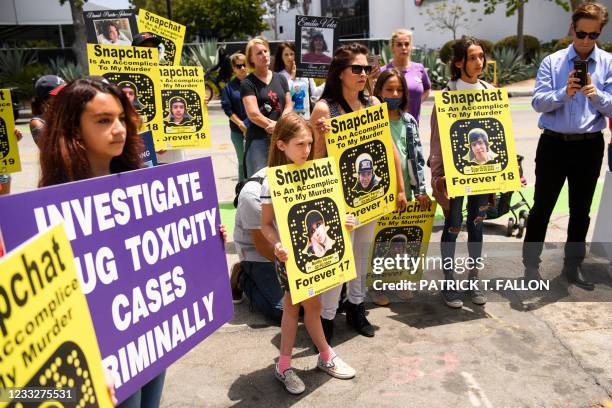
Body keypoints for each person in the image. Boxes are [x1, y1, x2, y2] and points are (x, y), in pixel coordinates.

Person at [38, 78, 227, 407]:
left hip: (149, 333)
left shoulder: (140, 184)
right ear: (72, 128)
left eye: (122, 118)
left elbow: (160, 250)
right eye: (103, 120)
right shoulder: (47, 208)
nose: (118, 129)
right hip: (100, 355)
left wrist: (204, 242)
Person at [310, 43, 408, 342]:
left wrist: (400, 188)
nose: (364, 73)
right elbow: (314, 159)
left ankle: (356, 307)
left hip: (372, 194)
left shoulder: (374, 104)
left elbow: (389, 149)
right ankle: (325, 320)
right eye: (357, 69)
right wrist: (321, 136)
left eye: (367, 68)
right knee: (337, 259)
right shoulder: (325, 108)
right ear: (340, 73)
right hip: (339, 198)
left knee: (362, 255)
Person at [260, 112, 356, 395]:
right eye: (300, 144)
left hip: (315, 258)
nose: (307, 150)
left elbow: (329, 216)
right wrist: (276, 244)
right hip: (290, 259)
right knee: (293, 307)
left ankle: (322, 356)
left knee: (312, 308)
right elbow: (265, 224)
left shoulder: (317, 172)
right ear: (281, 145)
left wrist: (344, 220)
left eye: (309, 144)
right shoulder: (271, 181)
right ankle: (287, 365)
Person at [523, 2, 611, 290]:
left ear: (600, 33)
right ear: (573, 28)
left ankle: (573, 267)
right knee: (542, 208)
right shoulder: (553, 62)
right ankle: (530, 268)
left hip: (589, 146)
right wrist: (564, 92)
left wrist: (596, 95)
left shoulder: (608, 64)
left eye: (593, 35)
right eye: (582, 33)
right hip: (553, 144)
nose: (586, 41)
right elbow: (538, 102)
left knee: (581, 210)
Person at [429, 36, 493, 309]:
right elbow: (436, 139)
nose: (479, 62)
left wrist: (503, 169)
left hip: (482, 173)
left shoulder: (490, 91)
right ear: (458, 63)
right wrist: (438, 175)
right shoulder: (447, 96)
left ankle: (473, 279)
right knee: (453, 226)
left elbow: (497, 135)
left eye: (481, 56)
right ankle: (449, 282)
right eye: (472, 57)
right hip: (453, 176)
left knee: (477, 225)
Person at [372, 68, 431, 305]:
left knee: (401, 241)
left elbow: (416, 158)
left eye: (398, 90)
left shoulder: (409, 121)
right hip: (380, 192)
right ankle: (377, 286)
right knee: (380, 241)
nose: (394, 93)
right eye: (389, 90)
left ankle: (399, 281)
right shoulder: (372, 121)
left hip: (405, 192)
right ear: (378, 92)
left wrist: (420, 191)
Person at [231, 168, 284, 324]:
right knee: (281, 311)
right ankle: (242, 276)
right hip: (258, 252)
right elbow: (263, 247)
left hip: (292, 246)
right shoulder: (252, 194)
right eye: (300, 144)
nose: (307, 151)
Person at [241, 37, 292, 177]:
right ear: (251, 59)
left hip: (282, 139)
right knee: (259, 185)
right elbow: (253, 114)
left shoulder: (281, 78)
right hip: (259, 141)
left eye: (265, 51)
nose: (264, 55)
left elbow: (288, 104)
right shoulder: (247, 83)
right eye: (258, 53)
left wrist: (279, 127)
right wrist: (274, 126)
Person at [375, 29, 431, 124]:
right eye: (399, 44)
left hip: (413, 127)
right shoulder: (383, 71)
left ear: (411, 47)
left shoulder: (419, 68)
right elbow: (374, 97)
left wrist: (417, 103)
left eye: (407, 44)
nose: (404, 47)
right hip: (389, 128)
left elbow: (427, 88)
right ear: (392, 48)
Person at [221, 52, 250, 182]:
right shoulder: (229, 87)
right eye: (239, 66)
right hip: (238, 132)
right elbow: (227, 109)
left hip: (257, 130)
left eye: (245, 65)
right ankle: (242, 189)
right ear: (233, 69)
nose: (243, 68)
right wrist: (240, 124)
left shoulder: (255, 82)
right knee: (242, 162)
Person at [273, 42, 322, 119]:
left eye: (292, 54)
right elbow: (282, 97)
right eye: (286, 55)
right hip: (289, 120)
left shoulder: (305, 73)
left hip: (306, 118)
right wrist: (292, 78)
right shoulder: (278, 76)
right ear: (281, 57)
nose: (289, 57)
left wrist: (328, 80)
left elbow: (314, 93)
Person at [30, 74, 66, 146]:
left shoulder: (72, 114)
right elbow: (52, 150)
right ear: (45, 101)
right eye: (58, 93)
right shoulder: (38, 122)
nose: (65, 95)